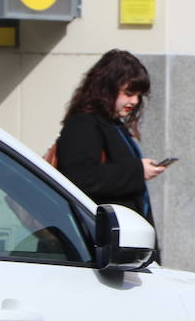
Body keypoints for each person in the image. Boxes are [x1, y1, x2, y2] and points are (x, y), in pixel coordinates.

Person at [54, 49, 167, 225]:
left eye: (138, 95)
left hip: (120, 236)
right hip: (101, 238)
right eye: (129, 93)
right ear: (107, 89)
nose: (135, 101)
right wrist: (137, 171)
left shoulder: (113, 124)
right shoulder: (84, 124)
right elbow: (80, 176)